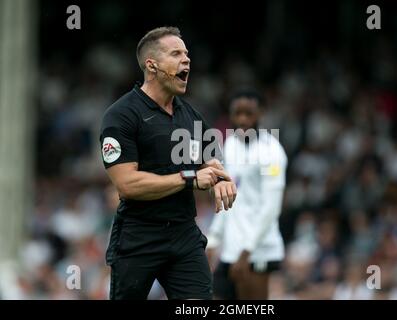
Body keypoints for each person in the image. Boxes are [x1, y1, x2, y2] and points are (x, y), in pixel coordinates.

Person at [99, 26, 237, 300]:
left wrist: (222, 178)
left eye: (186, 54)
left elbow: (212, 161)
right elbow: (127, 184)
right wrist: (189, 177)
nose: (186, 60)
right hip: (139, 235)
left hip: (184, 233)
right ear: (152, 65)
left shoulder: (191, 115)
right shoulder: (121, 116)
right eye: (176, 54)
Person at [206, 90, 288, 299]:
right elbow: (227, 193)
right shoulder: (231, 145)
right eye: (237, 113)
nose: (242, 119)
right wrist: (214, 239)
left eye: (248, 113)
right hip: (231, 250)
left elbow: (271, 207)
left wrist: (247, 252)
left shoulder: (272, 152)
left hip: (257, 252)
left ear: (260, 113)